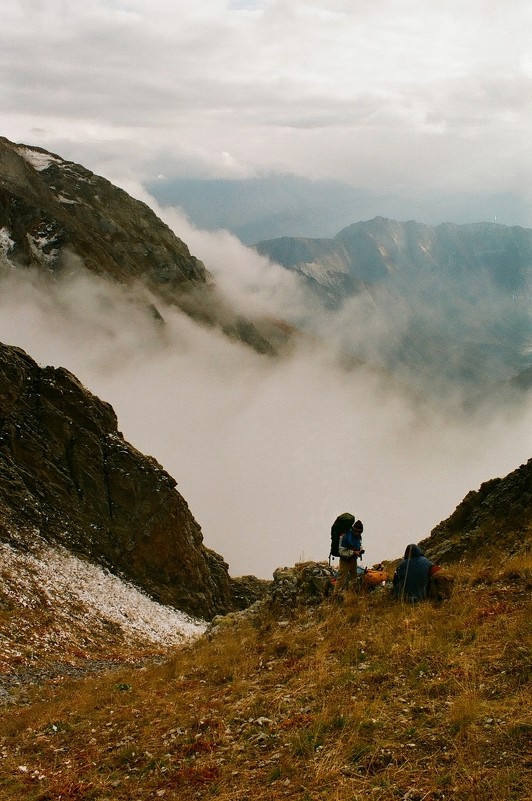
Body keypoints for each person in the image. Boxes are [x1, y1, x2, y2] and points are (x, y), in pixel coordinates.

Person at [333, 519, 364, 597]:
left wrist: (360, 550)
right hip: (345, 560)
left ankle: (354, 594)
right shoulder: (344, 536)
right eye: (356, 531)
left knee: (354, 577)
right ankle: (336, 596)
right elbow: (341, 551)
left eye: (359, 532)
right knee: (341, 578)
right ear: (353, 529)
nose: (358, 533)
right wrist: (353, 552)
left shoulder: (358, 537)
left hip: (353, 559)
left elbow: (359, 545)